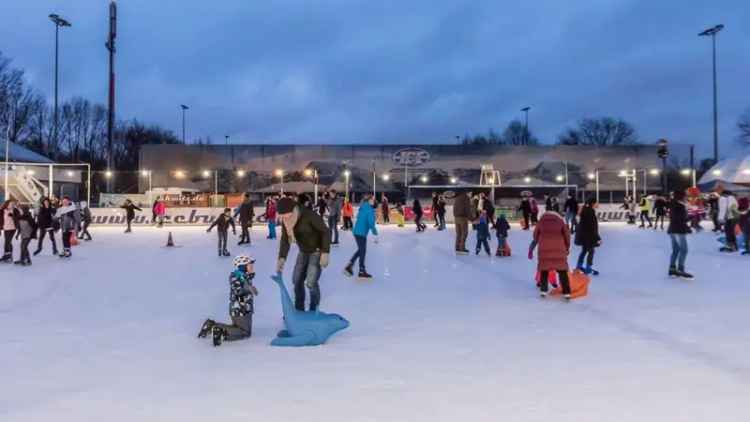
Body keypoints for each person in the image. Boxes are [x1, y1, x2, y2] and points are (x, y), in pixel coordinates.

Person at [276, 195, 331, 312]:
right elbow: (285, 240)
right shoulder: (286, 222)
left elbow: (325, 231)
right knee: (296, 280)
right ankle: (299, 308)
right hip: (303, 251)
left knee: (311, 282)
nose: (284, 218)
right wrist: (282, 257)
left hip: (316, 251)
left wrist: (325, 252)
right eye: (282, 215)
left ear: (292, 210)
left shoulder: (309, 215)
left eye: (285, 214)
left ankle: (314, 308)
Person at [197, 254, 258, 347]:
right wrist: (248, 288)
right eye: (250, 265)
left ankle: (211, 326)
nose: (252, 267)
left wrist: (249, 285)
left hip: (244, 309)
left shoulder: (244, 277)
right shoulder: (236, 277)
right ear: (242, 266)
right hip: (240, 310)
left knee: (243, 330)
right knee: (244, 332)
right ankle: (221, 332)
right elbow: (238, 290)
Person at [529, 210, 572, 300]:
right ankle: (566, 292)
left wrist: (538, 241)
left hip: (544, 250)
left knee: (544, 270)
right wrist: (567, 247)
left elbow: (535, 235)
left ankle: (543, 290)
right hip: (559, 249)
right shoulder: (560, 222)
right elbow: (567, 235)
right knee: (562, 271)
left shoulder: (541, 222)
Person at [345, 195, 378, 279]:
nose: (374, 201)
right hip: (361, 233)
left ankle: (353, 265)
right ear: (369, 200)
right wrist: (375, 233)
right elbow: (371, 223)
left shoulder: (363, 207)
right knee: (362, 251)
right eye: (373, 200)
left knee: (361, 250)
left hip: (357, 232)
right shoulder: (369, 210)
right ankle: (359, 269)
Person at [667, 190, 693, 278]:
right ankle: (680, 269)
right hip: (679, 230)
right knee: (684, 250)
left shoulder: (673, 204)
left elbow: (677, 218)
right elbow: (680, 219)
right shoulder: (679, 206)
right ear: (681, 196)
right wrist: (689, 221)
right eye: (685, 196)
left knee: (676, 249)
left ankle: (672, 268)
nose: (686, 197)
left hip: (673, 229)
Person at [575, 197, 601, 275]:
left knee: (584, 250)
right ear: (593, 203)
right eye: (596, 203)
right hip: (588, 236)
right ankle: (588, 267)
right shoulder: (590, 211)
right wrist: (597, 237)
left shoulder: (586, 210)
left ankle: (578, 266)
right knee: (591, 251)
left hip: (583, 235)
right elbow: (592, 226)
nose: (598, 204)